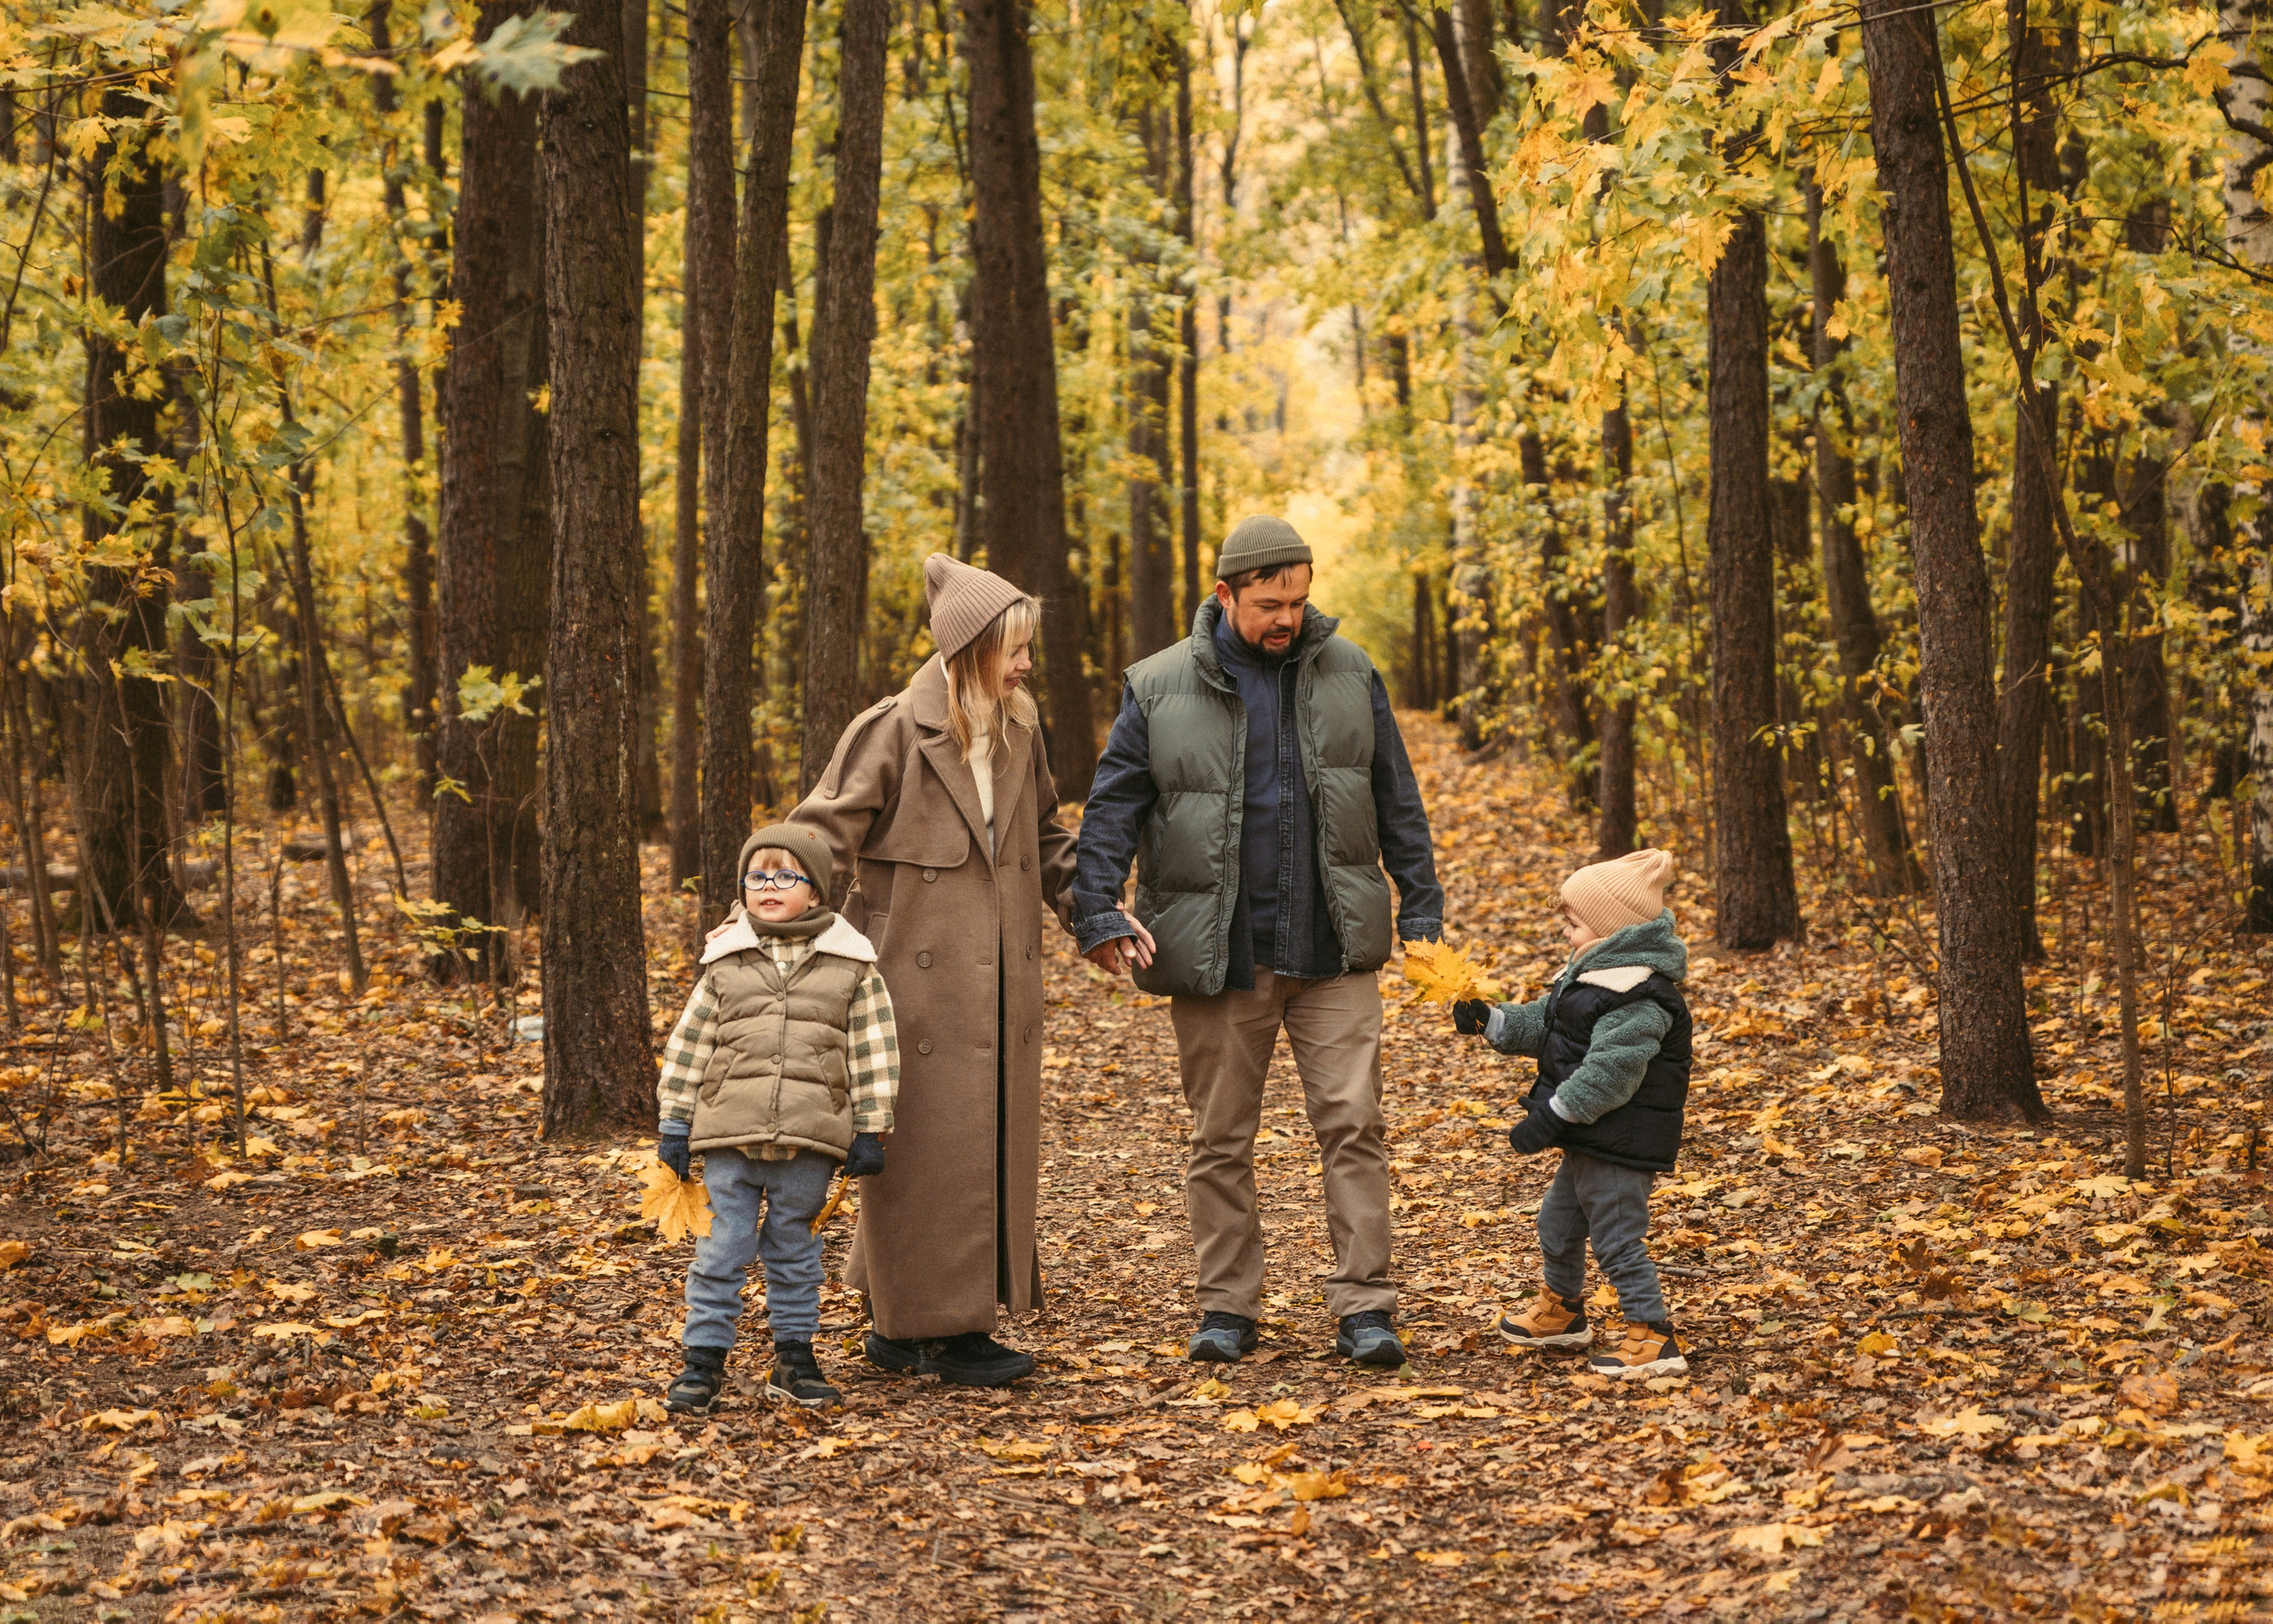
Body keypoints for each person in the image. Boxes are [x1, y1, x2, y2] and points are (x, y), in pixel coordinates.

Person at [1073, 515, 1444, 1368]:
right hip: (1218, 953)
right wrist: (1097, 906)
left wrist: (1420, 912)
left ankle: (1366, 1308)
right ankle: (1228, 1307)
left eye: (1299, 601)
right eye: (1270, 603)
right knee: (1219, 1136)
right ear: (1225, 594)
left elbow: (1399, 800)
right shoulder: (1160, 685)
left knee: (1354, 1123)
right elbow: (1113, 807)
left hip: (1334, 944)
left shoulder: (1351, 672)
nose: (1287, 618)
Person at [788, 553, 1080, 1388]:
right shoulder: (890, 730)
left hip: (1000, 983)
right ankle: (920, 1331)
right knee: (918, 1151)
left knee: (981, 1146)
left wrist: (1092, 912)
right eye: (1013, 648)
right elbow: (819, 831)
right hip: (909, 989)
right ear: (970, 648)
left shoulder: (1020, 726)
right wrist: (767, 914)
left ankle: (944, 1318)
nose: (1026, 664)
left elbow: (1049, 835)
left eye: (1028, 647)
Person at [656, 823, 898, 1414]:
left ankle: (794, 1359)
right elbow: (690, 1045)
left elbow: (874, 1049)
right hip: (729, 1135)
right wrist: (675, 1123)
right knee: (721, 1249)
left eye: (784, 875)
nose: (769, 885)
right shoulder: (727, 959)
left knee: (794, 1251)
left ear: (813, 891)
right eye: (757, 875)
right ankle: (702, 1362)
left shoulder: (852, 964)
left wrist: (870, 1125)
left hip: (809, 1138)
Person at [1452, 847, 1692, 1380]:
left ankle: (1653, 1336)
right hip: (1592, 1137)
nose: (1567, 934)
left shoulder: (1638, 997)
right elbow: (1547, 1026)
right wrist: (1490, 1021)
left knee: (1616, 1240)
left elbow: (1610, 1074)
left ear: (1612, 932)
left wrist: (1551, 1117)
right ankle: (1563, 1311)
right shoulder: (1592, 981)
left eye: (1575, 924)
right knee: (1557, 1225)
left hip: (1621, 1142)